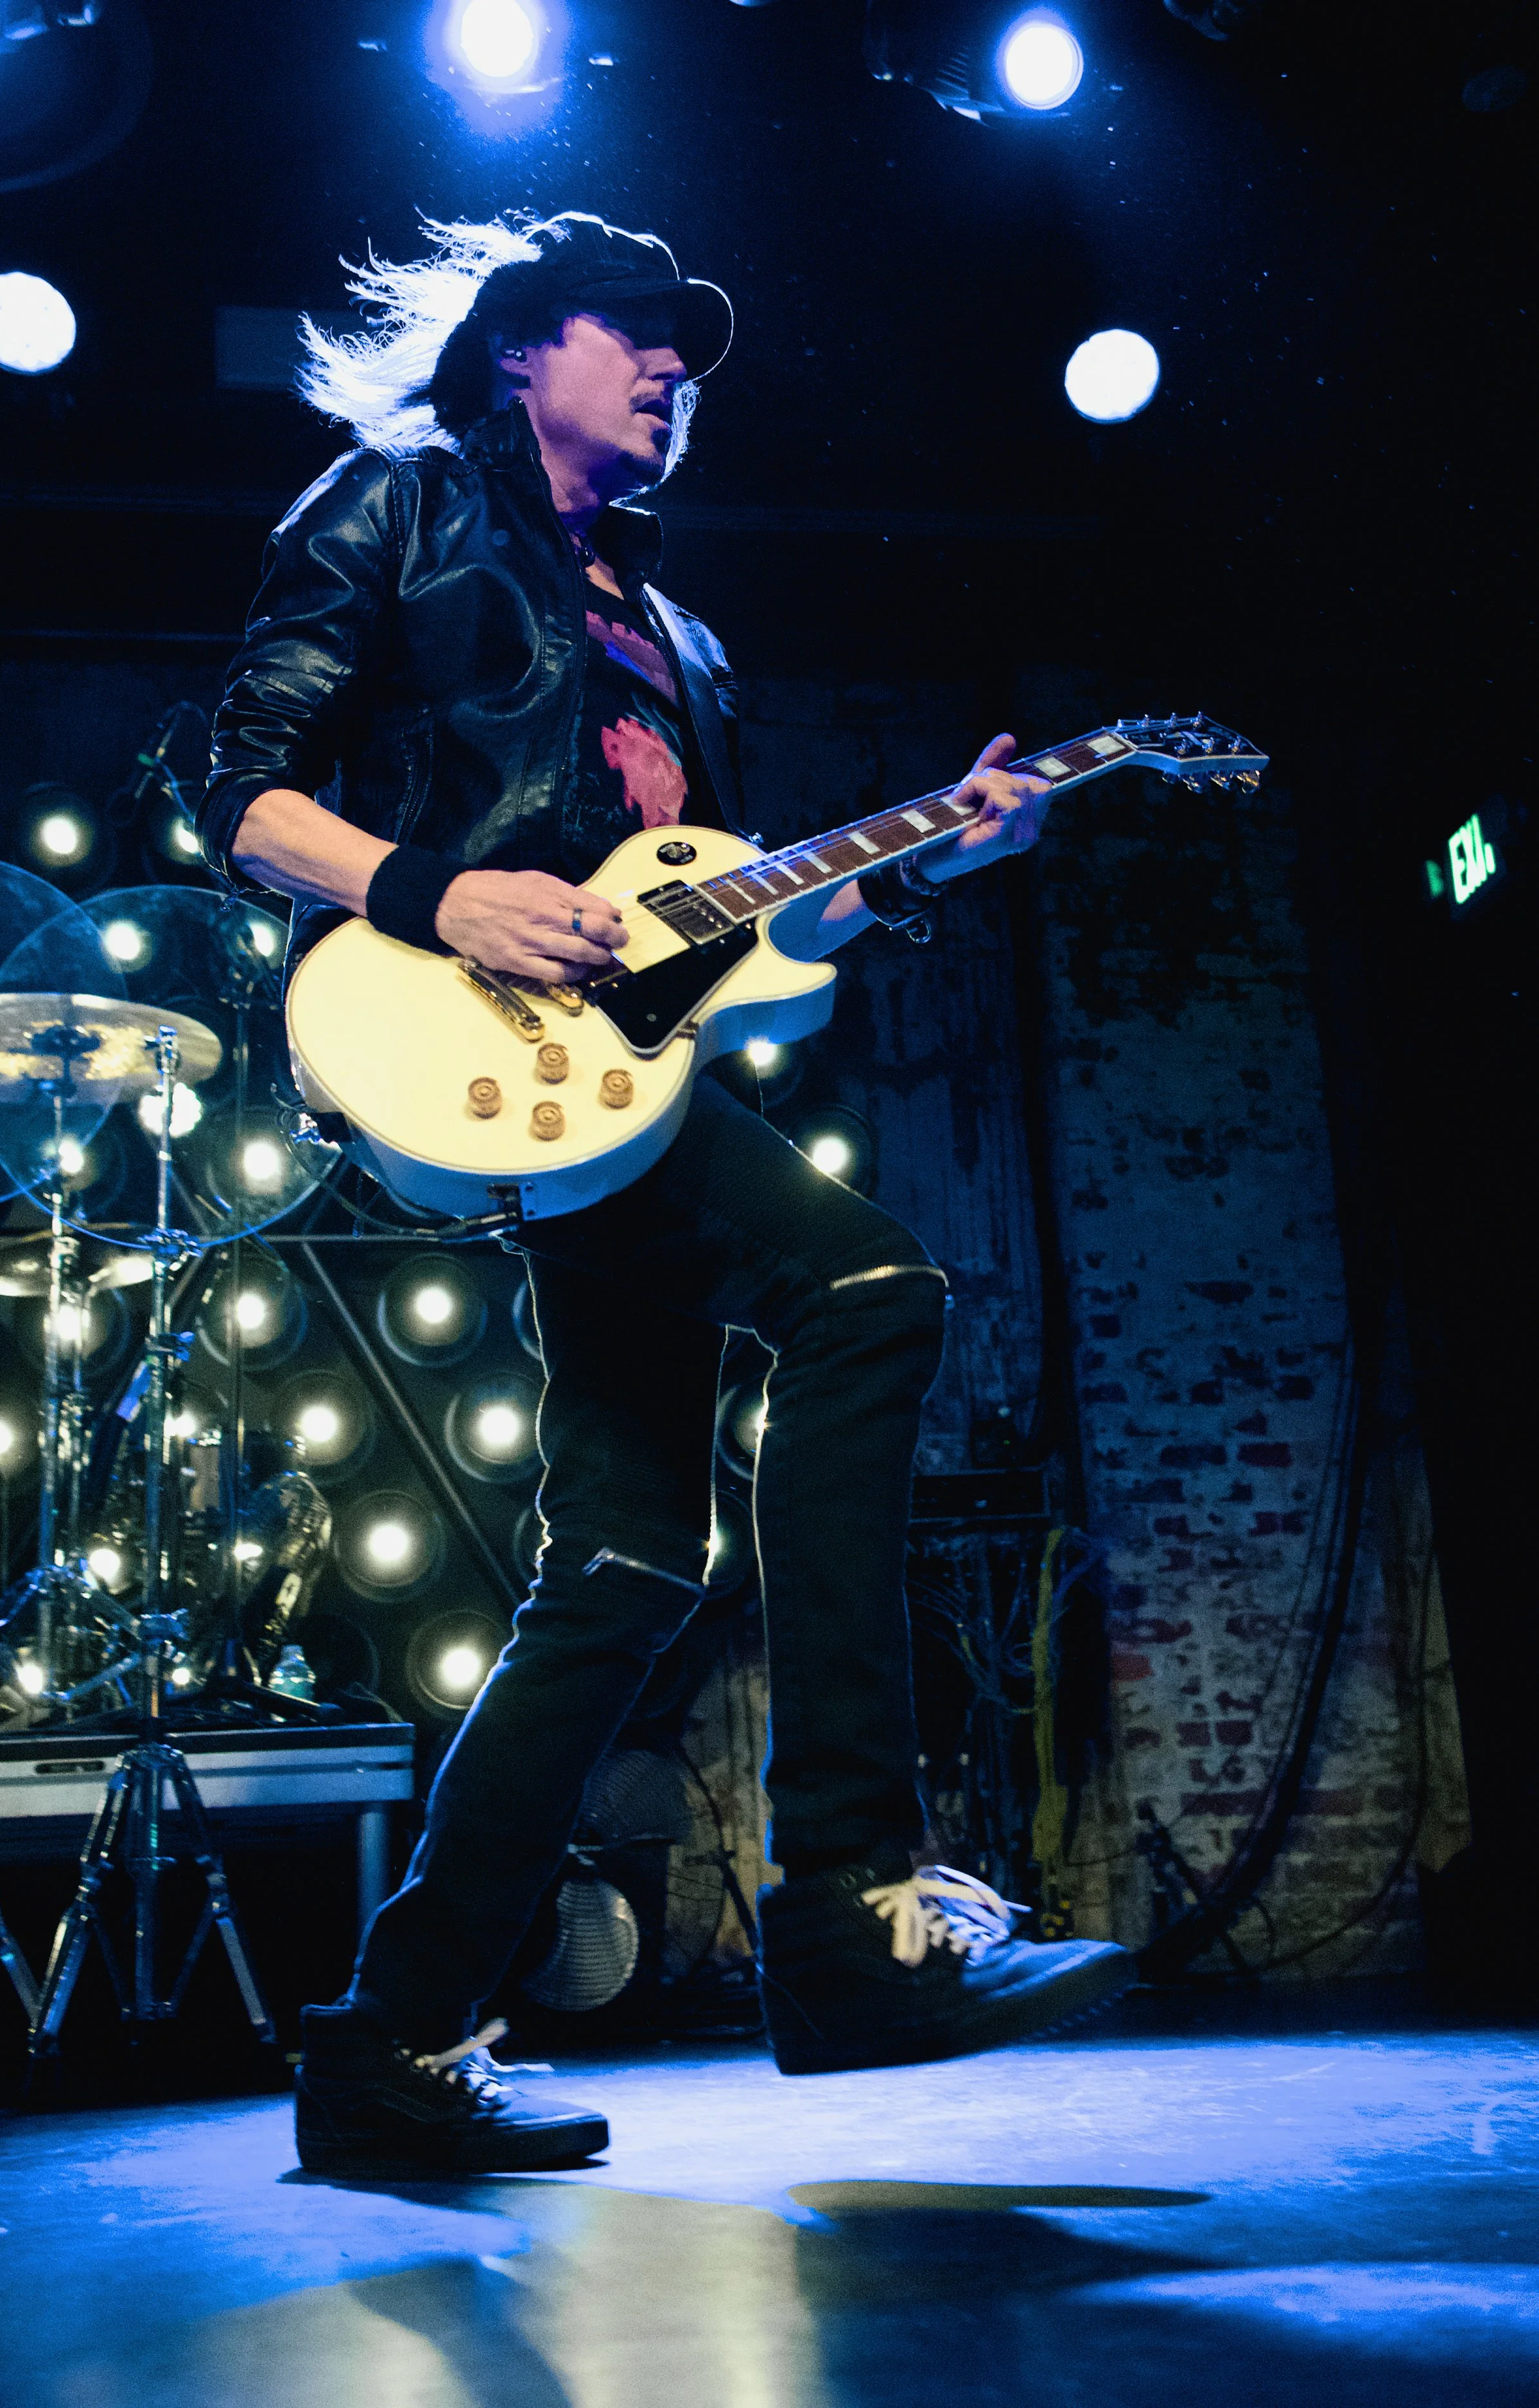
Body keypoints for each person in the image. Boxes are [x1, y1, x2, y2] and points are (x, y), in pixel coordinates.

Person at [198, 211, 1133, 2176]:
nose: (673, 368)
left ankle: (385, 2039)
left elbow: (739, 936)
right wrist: (439, 893)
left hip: (610, 1097)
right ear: (518, 350)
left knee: (624, 1560)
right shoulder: (402, 505)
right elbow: (243, 792)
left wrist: (934, 856)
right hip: (449, 1027)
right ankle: (847, 1905)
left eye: (691, 350)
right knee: (866, 1291)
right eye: (635, 333)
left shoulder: (682, 642)